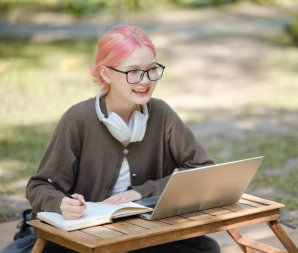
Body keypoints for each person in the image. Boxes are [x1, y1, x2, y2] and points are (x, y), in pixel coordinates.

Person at [2, 25, 220, 253]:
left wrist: (143, 192)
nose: (145, 80)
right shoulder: (79, 118)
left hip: (143, 232)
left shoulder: (162, 114)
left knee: (206, 249)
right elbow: (38, 186)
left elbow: (204, 171)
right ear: (106, 73)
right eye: (133, 71)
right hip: (83, 237)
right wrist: (60, 204)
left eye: (151, 69)